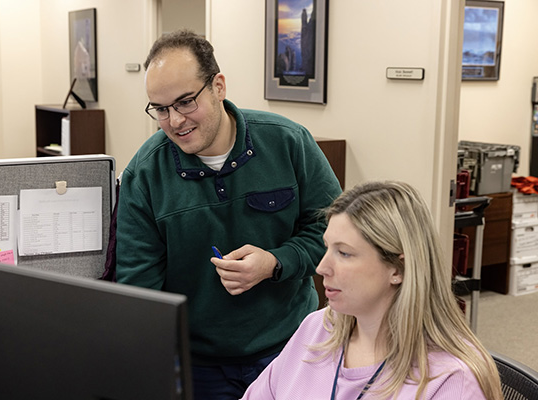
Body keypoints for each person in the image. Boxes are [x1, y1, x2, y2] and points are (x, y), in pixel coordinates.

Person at [115, 29, 342, 399]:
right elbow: (139, 289)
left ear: (218, 86)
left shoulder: (288, 142)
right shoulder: (144, 175)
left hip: (292, 348)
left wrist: (275, 262)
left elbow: (333, 234)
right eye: (160, 108)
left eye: (186, 102)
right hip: (199, 365)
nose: (174, 121)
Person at [241, 181, 503, 400]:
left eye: (344, 253)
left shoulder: (450, 380)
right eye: (327, 247)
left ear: (398, 269)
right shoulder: (317, 328)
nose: (321, 267)